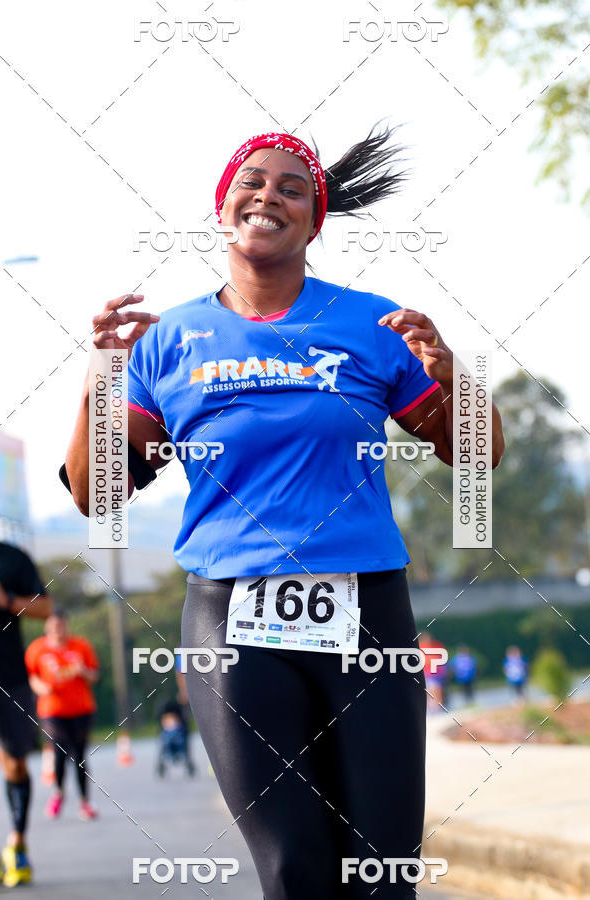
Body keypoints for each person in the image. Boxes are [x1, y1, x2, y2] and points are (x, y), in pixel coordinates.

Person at [63, 126, 505, 898]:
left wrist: (451, 376)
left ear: (314, 222)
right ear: (224, 206)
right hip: (231, 619)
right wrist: (101, 379)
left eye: (292, 188)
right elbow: (99, 492)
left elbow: (478, 457)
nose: (269, 194)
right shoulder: (168, 340)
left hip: (366, 608)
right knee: (295, 869)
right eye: (253, 181)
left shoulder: (373, 324)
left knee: (381, 870)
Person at [0, 510, 52, 886]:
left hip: (9, 678)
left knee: (14, 764)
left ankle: (18, 843)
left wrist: (6, 599)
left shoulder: (13, 558)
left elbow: (44, 608)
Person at [25, 608, 99, 821]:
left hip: (81, 709)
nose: (58, 630)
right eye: (54, 626)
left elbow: (95, 675)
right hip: (52, 710)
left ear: (67, 626)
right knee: (59, 749)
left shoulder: (81, 646)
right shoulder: (37, 649)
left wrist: (83, 671)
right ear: (47, 627)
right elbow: (31, 677)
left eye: (61, 625)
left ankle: (85, 802)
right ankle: (58, 792)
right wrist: (41, 688)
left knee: (79, 755)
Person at [419, 631, 449, 711]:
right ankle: (432, 708)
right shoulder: (420, 647)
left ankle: (439, 706)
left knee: (437, 689)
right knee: (429, 690)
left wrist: (444, 670)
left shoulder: (437, 645)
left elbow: (443, 657)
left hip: (436, 672)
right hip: (426, 672)